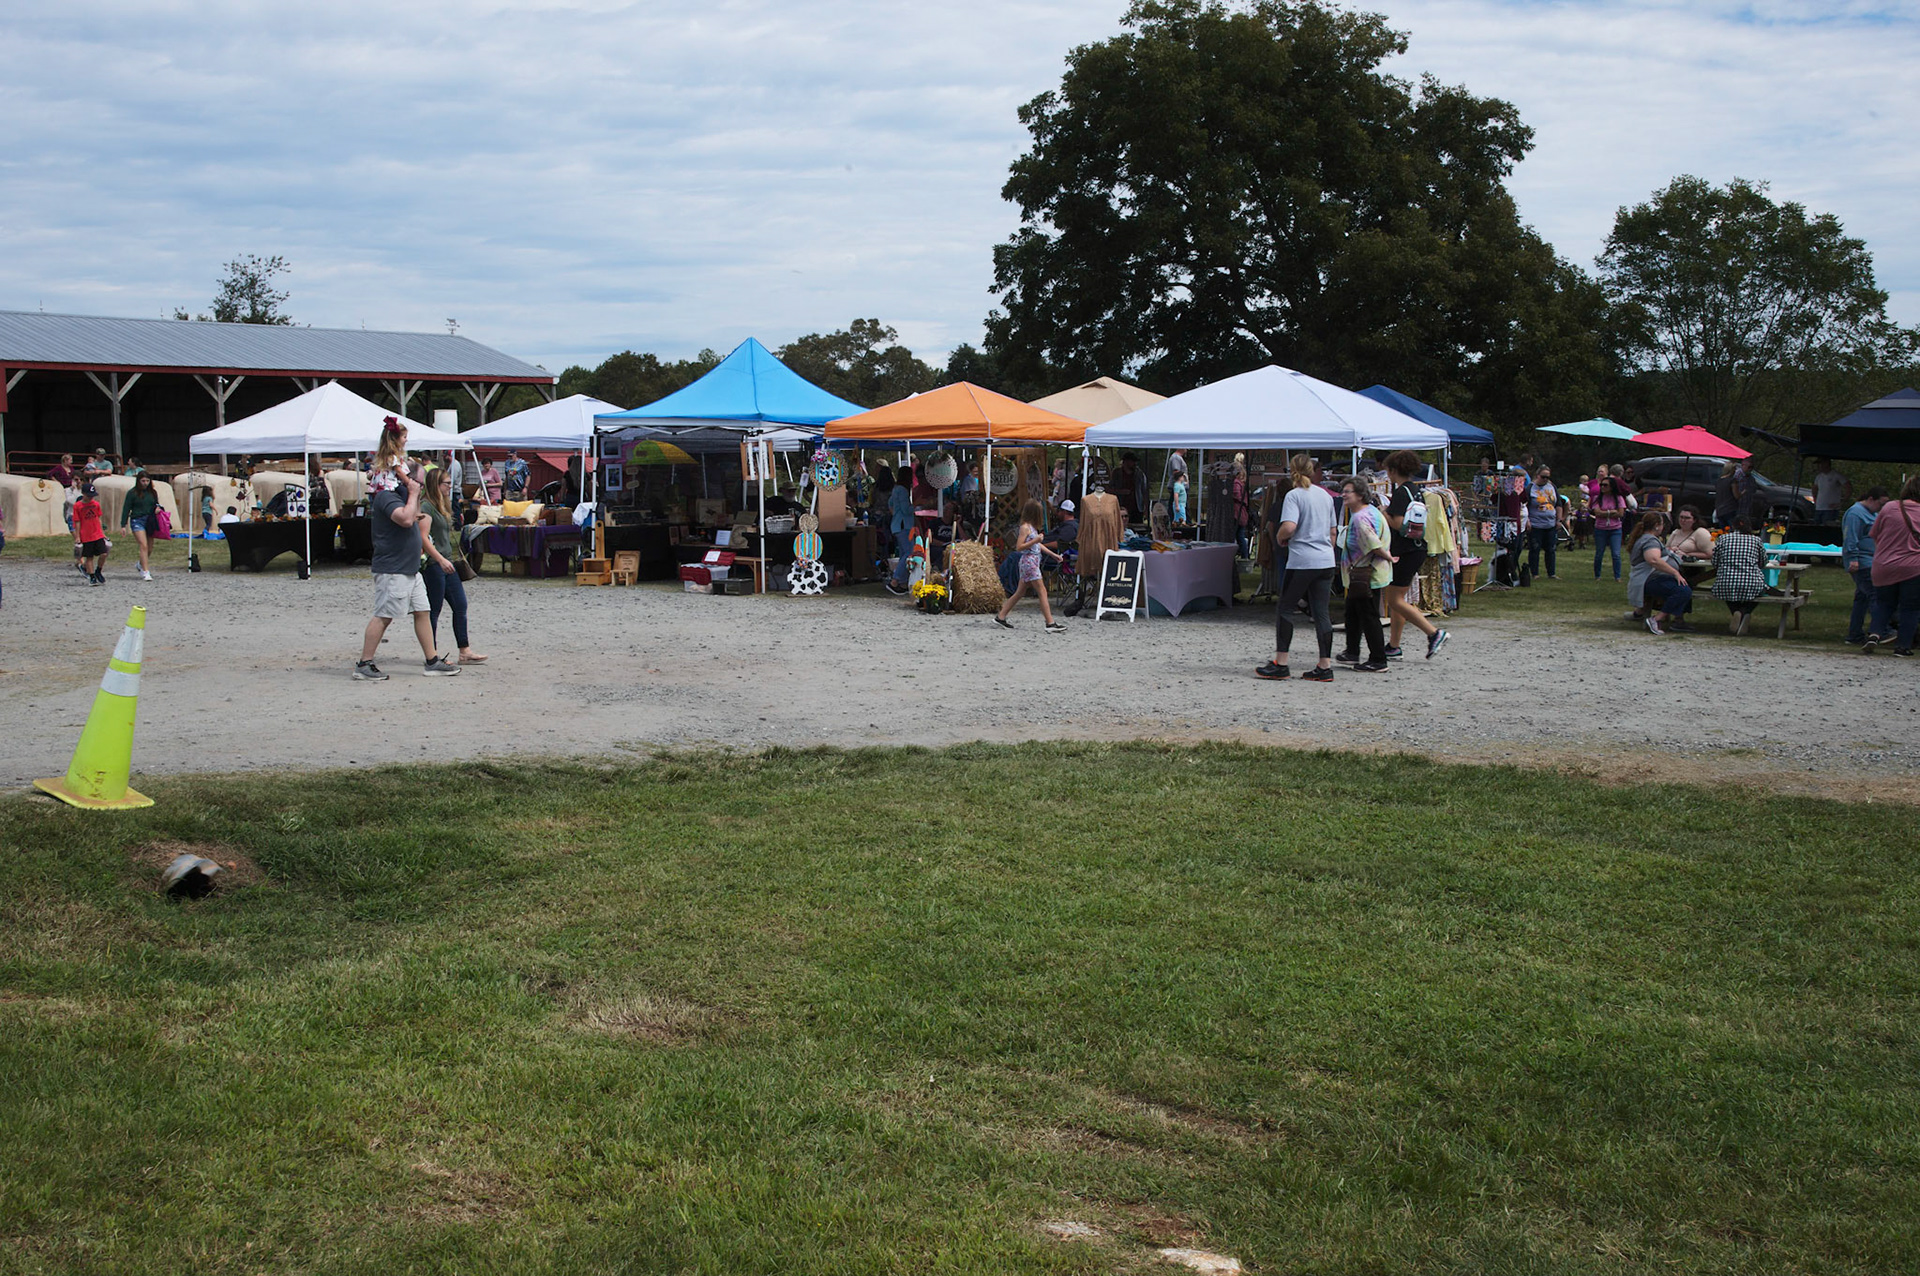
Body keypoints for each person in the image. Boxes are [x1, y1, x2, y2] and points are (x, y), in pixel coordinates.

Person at [355, 417, 459, 680]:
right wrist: (413, 495)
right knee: (384, 615)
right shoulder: (386, 495)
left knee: (423, 611)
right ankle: (364, 664)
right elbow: (403, 518)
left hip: (410, 568)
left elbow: (411, 516)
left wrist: (414, 502)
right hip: (393, 568)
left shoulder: (400, 492)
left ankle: (432, 660)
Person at [1255, 454, 1338, 682]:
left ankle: (1281, 662)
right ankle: (1325, 664)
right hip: (1325, 559)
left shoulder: (1294, 496)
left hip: (1302, 559)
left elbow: (1289, 526)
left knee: (1285, 608)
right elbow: (1333, 531)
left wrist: (1281, 538)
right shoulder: (1325, 495)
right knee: (1321, 612)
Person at [1381, 452, 1447, 660]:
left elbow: (1399, 525)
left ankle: (1433, 633)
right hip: (1416, 548)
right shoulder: (1415, 490)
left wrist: (1384, 512)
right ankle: (1393, 645)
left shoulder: (1401, 493)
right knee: (1397, 599)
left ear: (1392, 470)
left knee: (1395, 600)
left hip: (1405, 551)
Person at [419, 468, 487, 665]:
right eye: (446, 484)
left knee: (460, 605)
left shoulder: (441, 506)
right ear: (435, 485)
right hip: (434, 565)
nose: (450, 487)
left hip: (447, 563)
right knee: (434, 610)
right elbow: (423, 538)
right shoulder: (426, 507)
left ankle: (464, 650)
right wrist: (439, 559)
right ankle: (431, 656)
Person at [1335, 479, 1391, 671]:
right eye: (1343, 491)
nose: (1343, 494)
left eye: (1348, 491)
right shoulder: (1371, 511)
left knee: (1368, 616)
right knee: (1353, 613)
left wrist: (1389, 556)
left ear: (1359, 495)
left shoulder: (1360, 518)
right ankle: (1352, 651)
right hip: (1363, 575)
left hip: (1366, 575)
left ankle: (1378, 659)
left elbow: (1373, 543)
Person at [1863, 476, 1920, 656]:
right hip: (1913, 567)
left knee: (1884, 603)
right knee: (1910, 608)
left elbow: (1875, 534)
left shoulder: (1889, 507)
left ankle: (1875, 633)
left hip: (1884, 565)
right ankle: (1903, 646)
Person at [993, 499, 1066, 632]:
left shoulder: (1031, 528)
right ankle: (1050, 622)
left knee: (1020, 592)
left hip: (1032, 561)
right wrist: (1036, 540)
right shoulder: (1025, 528)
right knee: (1042, 591)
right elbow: (1019, 547)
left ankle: (1001, 616)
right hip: (1029, 562)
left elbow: (1038, 545)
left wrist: (1052, 555)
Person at [1627, 511, 1693, 635]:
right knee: (1683, 590)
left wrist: (1668, 551)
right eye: (1662, 524)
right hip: (1648, 579)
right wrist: (1675, 572)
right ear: (1657, 525)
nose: (1663, 527)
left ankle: (1678, 620)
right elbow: (1653, 560)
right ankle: (1656, 619)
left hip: (1648, 578)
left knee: (1686, 584)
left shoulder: (1645, 538)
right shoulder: (1650, 540)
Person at [1842, 486, 1888, 645]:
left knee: (1861, 598)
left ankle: (1854, 634)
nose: (1881, 508)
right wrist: (1853, 558)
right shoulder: (1855, 513)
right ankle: (1883, 630)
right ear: (1870, 499)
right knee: (1875, 595)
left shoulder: (1872, 513)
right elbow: (1850, 537)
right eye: (1880, 504)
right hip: (1862, 562)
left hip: (1872, 559)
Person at [1710, 515, 1769, 634]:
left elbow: (1715, 562)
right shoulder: (1756, 540)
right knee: (1762, 591)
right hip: (1751, 582)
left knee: (1727, 592)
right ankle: (1744, 612)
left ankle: (1736, 612)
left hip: (1726, 581)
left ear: (1733, 526)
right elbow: (1763, 562)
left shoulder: (1723, 539)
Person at [120, 472, 162, 581]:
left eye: (147, 481)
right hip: (137, 520)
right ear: (138, 481)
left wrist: (158, 509)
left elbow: (156, 504)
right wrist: (123, 525)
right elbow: (126, 508)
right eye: (143, 481)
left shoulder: (153, 493)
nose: (145, 483)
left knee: (150, 547)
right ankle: (146, 571)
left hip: (150, 520)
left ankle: (140, 564)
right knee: (143, 545)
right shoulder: (132, 493)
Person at [884, 466, 918, 595]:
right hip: (904, 526)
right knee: (909, 553)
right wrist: (916, 504)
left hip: (897, 525)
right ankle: (895, 580)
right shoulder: (903, 490)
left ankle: (902, 582)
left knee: (904, 552)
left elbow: (890, 504)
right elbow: (906, 509)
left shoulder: (895, 489)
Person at [1525, 463, 1561, 580]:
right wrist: (1527, 520)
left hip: (1550, 524)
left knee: (1551, 550)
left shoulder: (1552, 487)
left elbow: (1559, 504)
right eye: (1543, 477)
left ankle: (1551, 573)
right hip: (1536, 524)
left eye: (1547, 477)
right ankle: (1534, 573)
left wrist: (1559, 520)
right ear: (1537, 475)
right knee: (1535, 549)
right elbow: (1524, 505)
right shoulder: (1530, 488)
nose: (1545, 479)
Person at [1590, 476, 1629, 580]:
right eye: (1601, 485)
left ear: (1612, 487)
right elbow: (1597, 512)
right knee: (1599, 553)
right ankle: (1597, 576)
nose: (1602, 487)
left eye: (1605, 485)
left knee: (1616, 554)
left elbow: (1620, 513)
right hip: (1600, 529)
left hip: (1615, 529)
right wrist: (1611, 512)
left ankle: (1617, 576)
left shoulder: (1619, 498)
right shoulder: (1597, 499)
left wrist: (1605, 513)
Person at [73, 484, 109, 585]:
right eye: (88, 495)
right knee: (89, 557)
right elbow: (77, 521)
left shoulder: (96, 504)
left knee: (104, 553)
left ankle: (98, 571)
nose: (90, 498)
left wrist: (102, 532)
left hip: (97, 533)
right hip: (86, 535)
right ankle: (92, 576)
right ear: (83, 494)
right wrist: (78, 536)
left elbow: (98, 518)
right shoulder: (77, 506)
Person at [1812, 458, 1850, 525]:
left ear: (1826, 464)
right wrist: (1815, 499)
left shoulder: (1836, 475)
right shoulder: (1819, 477)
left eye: (1820, 464)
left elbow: (1848, 487)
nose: (1818, 466)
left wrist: (1842, 502)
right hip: (1819, 508)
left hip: (1830, 509)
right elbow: (1815, 488)